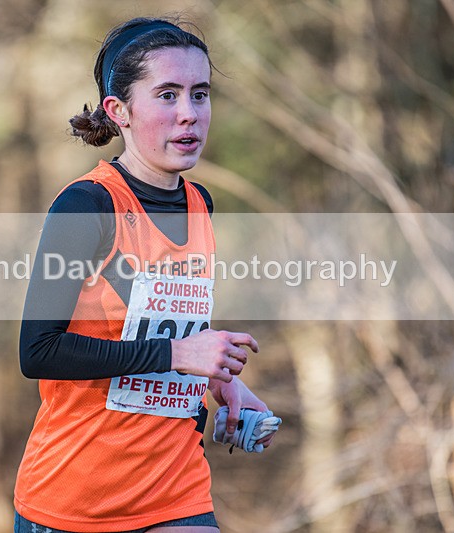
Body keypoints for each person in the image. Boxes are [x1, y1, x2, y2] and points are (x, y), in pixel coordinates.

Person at [14, 17, 276, 533]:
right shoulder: (86, 206)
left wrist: (219, 382)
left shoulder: (200, 204)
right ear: (120, 111)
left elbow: (164, 320)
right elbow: (37, 351)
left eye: (199, 95)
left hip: (175, 487)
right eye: (167, 95)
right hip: (75, 500)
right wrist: (178, 355)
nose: (189, 114)